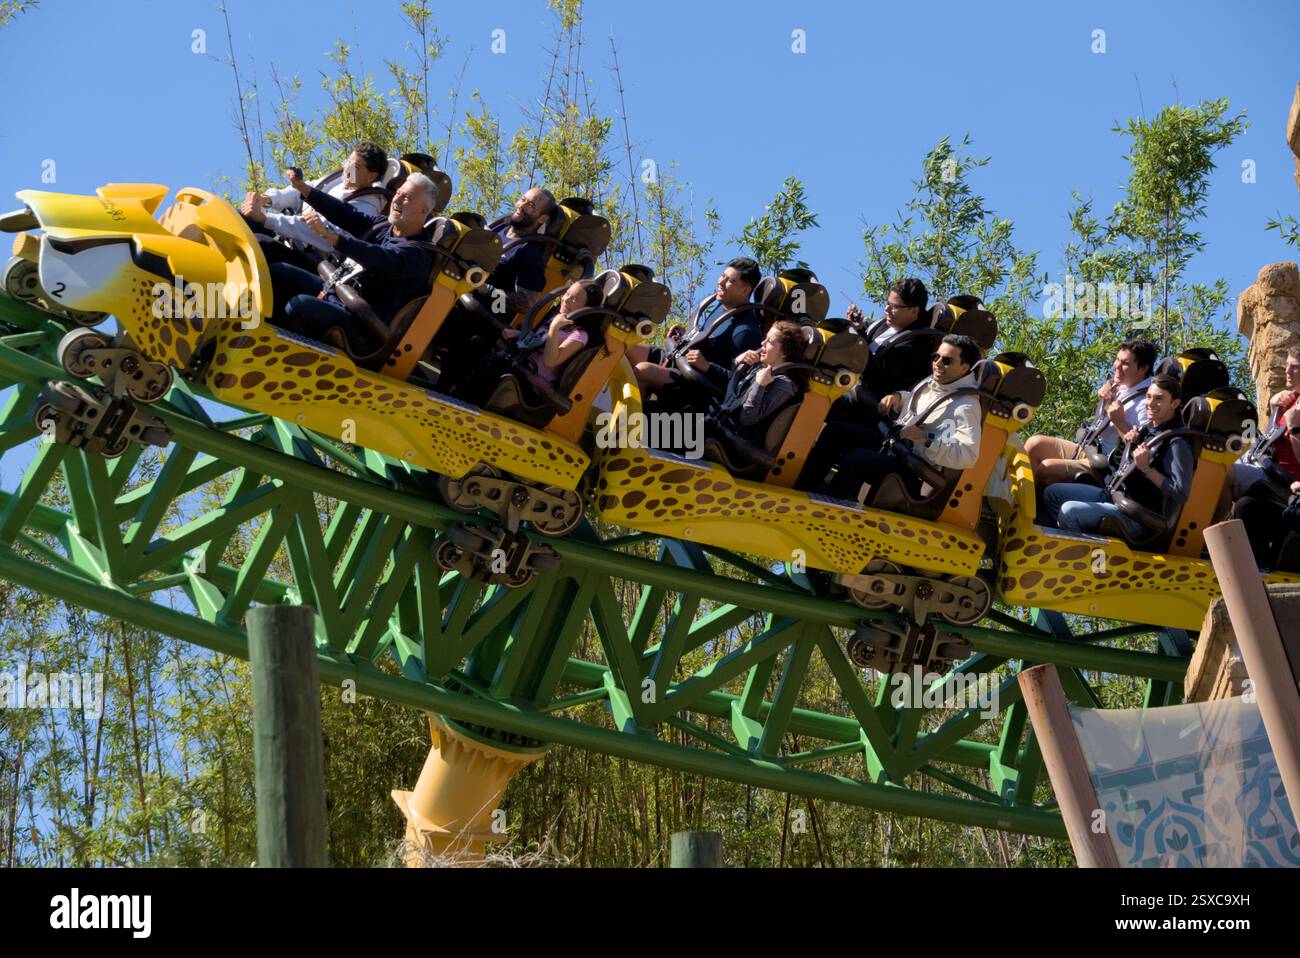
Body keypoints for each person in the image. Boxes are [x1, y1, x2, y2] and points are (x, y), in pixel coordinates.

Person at [265, 172, 440, 354]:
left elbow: (380, 258)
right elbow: (347, 214)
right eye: (398, 193)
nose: (397, 200)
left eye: (408, 198)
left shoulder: (419, 254)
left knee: (299, 306)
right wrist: (304, 189)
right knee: (278, 272)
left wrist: (331, 236)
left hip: (360, 325)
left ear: (423, 211)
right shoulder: (383, 227)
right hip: (335, 293)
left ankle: (274, 355)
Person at [806, 334, 984, 503]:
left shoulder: (965, 406)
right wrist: (898, 398)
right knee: (837, 430)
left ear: (965, 368)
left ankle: (829, 504)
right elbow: (922, 405)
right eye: (935, 357)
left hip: (914, 469)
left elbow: (967, 456)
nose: (937, 364)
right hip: (896, 447)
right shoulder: (937, 383)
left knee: (858, 458)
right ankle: (804, 486)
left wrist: (927, 439)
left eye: (947, 360)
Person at [1039, 374, 1192, 540]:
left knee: (1069, 511)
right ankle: (1082, 539)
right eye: (1148, 397)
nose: (1150, 403)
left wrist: (1147, 469)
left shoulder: (1176, 443)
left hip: (1136, 517)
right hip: (1115, 495)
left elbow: (1180, 493)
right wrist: (1129, 441)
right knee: (1052, 494)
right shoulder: (1150, 429)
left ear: (1174, 404)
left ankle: (1080, 557)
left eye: (1159, 399)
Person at [630, 257, 763, 403]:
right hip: (677, 360)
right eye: (722, 276)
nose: (721, 282)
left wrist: (707, 366)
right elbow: (709, 341)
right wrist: (685, 336)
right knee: (625, 349)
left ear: (745, 290)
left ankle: (630, 423)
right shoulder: (723, 305)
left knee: (643, 370)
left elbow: (740, 386)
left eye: (730, 281)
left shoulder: (745, 331)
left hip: (695, 386)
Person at [1026, 339, 1156, 486]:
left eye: (1125, 363)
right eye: (1117, 360)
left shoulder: (1149, 402)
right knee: (1034, 444)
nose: (1117, 366)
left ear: (1143, 368)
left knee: (1046, 469)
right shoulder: (1123, 384)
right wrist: (1105, 402)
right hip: (1090, 448)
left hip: (1107, 468)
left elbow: (1143, 452)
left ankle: (1036, 506)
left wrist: (1119, 422)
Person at [240, 142, 389, 269]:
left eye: (355, 167)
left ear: (371, 176)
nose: (347, 168)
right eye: (348, 161)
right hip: (290, 235)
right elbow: (304, 189)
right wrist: (267, 199)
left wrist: (266, 219)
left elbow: (320, 232)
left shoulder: (366, 207)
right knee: (242, 217)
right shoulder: (341, 180)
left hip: (312, 258)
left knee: (259, 243)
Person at [710, 319, 810, 449]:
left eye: (770, 341)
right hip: (721, 424)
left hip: (731, 442)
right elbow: (732, 395)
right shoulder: (762, 368)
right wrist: (739, 363)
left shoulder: (784, 384)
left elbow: (747, 419)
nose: (763, 343)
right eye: (765, 338)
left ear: (785, 351)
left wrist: (759, 385)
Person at [1230, 346, 1300, 496]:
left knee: (1223, 473)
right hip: (1262, 459)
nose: (1287, 371)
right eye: (1287, 365)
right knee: (1216, 459)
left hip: (1282, 478)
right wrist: (1274, 407)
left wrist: (1295, 429)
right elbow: (1275, 438)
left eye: (1294, 367)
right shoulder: (1291, 398)